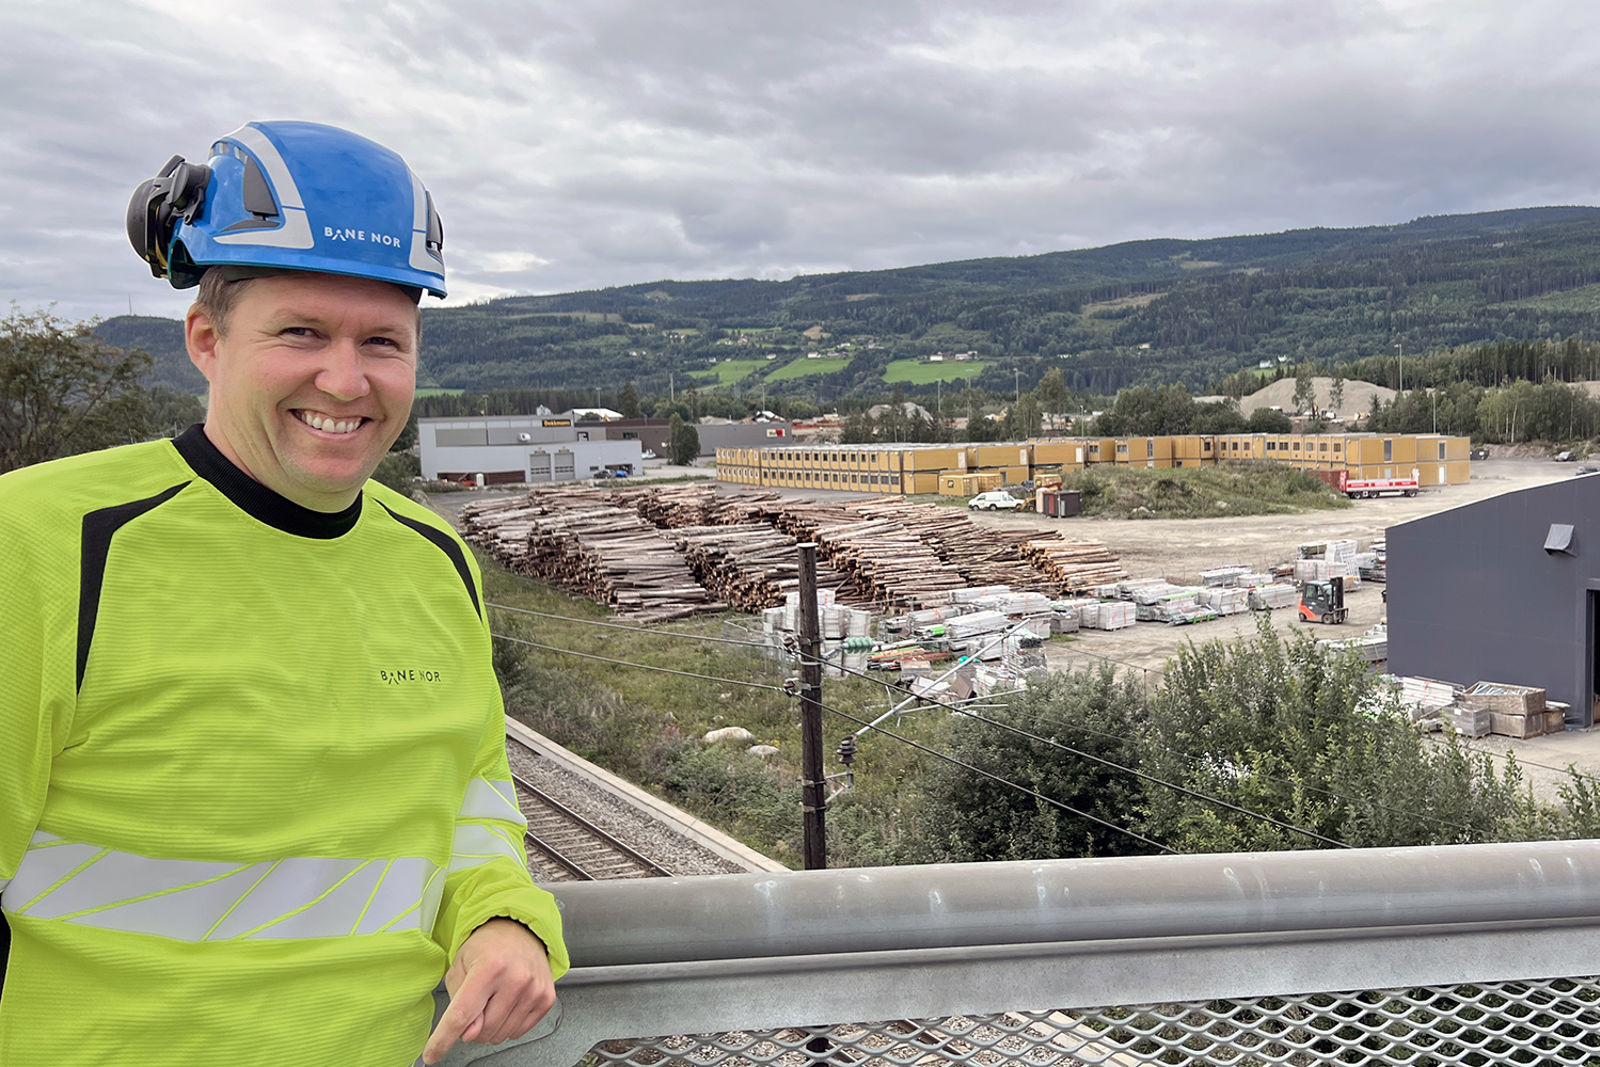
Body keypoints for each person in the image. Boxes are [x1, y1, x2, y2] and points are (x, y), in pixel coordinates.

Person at [0, 121, 567, 1065]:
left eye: (382, 340)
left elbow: (470, 793)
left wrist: (498, 916)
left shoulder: (437, 559)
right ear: (207, 339)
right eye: (301, 331)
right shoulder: (44, 545)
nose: (345, 380)